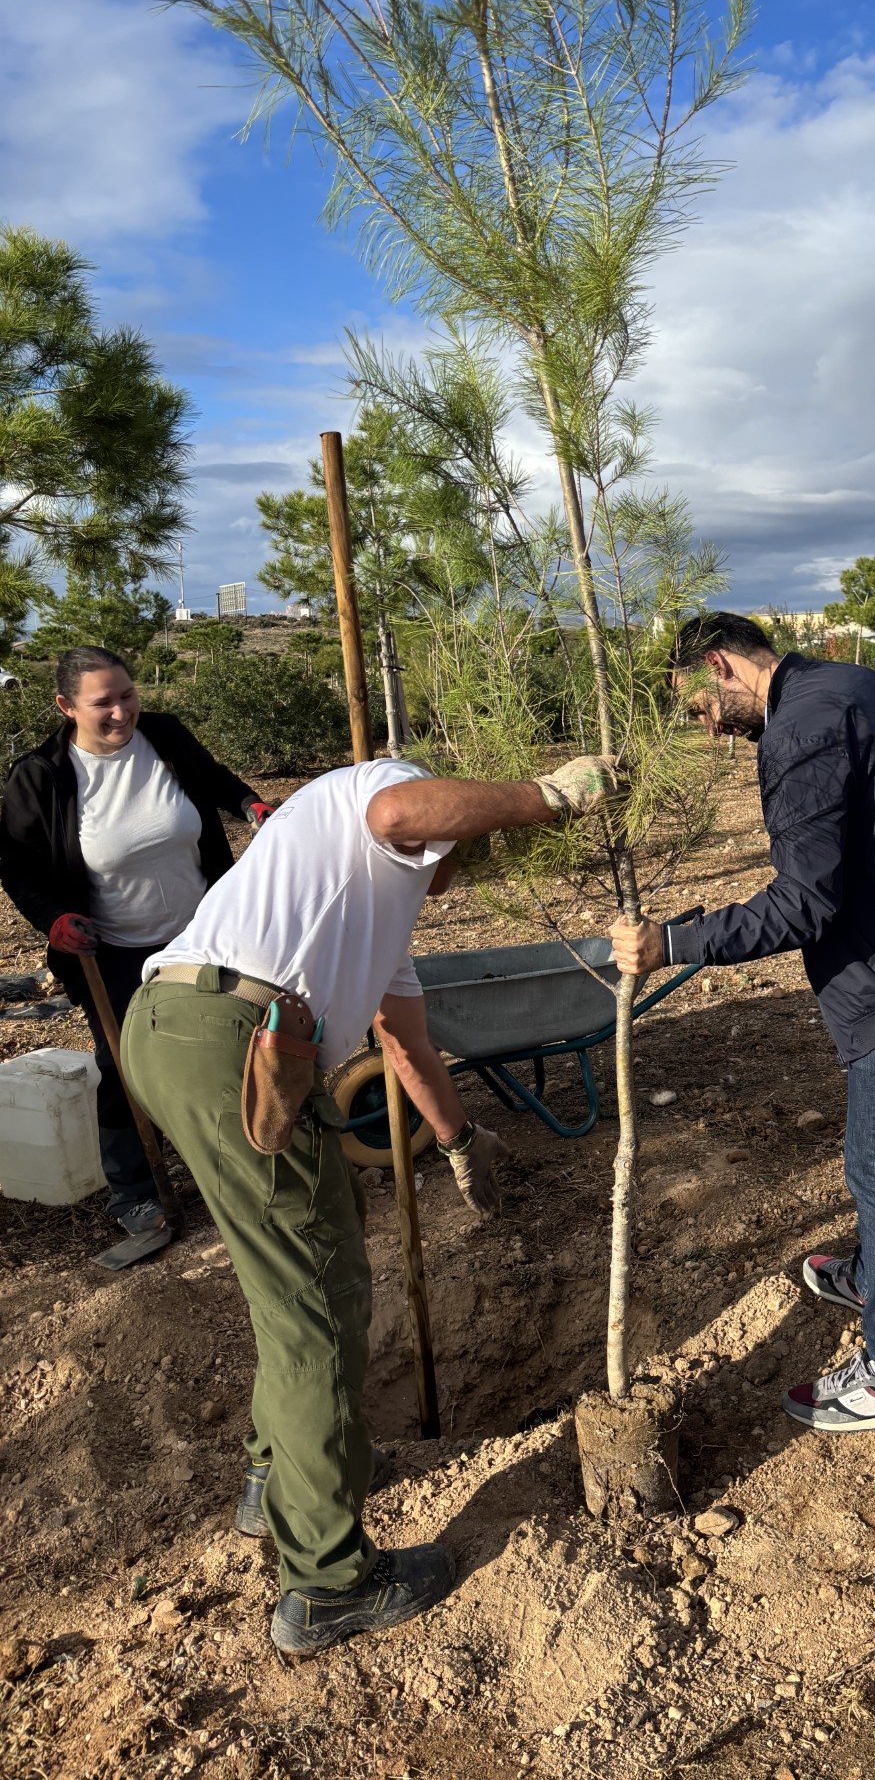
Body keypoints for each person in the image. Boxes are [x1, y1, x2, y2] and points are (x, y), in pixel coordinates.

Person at [119, 748, 620, 1656]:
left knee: (294, 1283)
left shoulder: (379, 917)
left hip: (178, 1028)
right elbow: (398, 816)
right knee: (320, 1304)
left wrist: (464, 1143)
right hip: (240, 1042)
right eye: (464, 839)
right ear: (456, 811)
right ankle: (326, 1585)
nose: (451, 870)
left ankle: (279, 1478)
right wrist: (544, 798)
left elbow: (407, 1044)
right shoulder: (377, 798)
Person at [609, 613, 875, 1434]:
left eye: (694, 707)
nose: (703, 728)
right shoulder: (845, 684)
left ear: (720, 667)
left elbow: (803, 903)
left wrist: (676, 942)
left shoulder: (797, 730)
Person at [0, 645, 271, 1252]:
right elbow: (15, 864)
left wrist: (249, 804)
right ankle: (135, 1190)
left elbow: (215, 780)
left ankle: (242, 1156)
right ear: (66, 706)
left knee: (230, 1044)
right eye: (104, 703)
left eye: (128, 695)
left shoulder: (165, 736)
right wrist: (52, 918)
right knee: (124, 1066)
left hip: (205, 933)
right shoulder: (41, 775)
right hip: (113, 950)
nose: (122, 711)